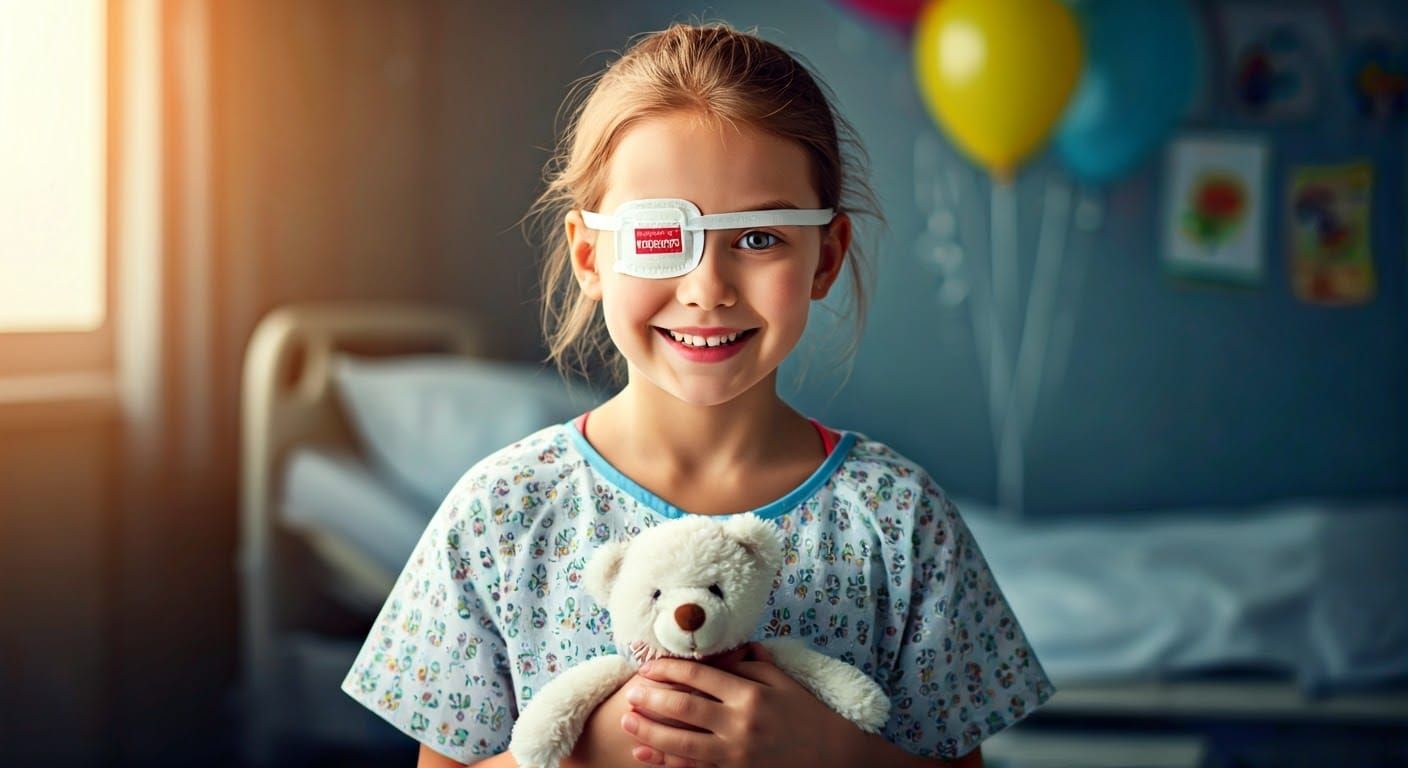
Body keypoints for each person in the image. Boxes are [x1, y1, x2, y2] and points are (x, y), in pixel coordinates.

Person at [341, 22, 1053, 768]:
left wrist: (830, 751)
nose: (707, 289)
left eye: (758, 237)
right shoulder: (499, 518)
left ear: (826, 257)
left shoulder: (901, 524)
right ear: (591, 256)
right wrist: (590, 756)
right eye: (659, 237)